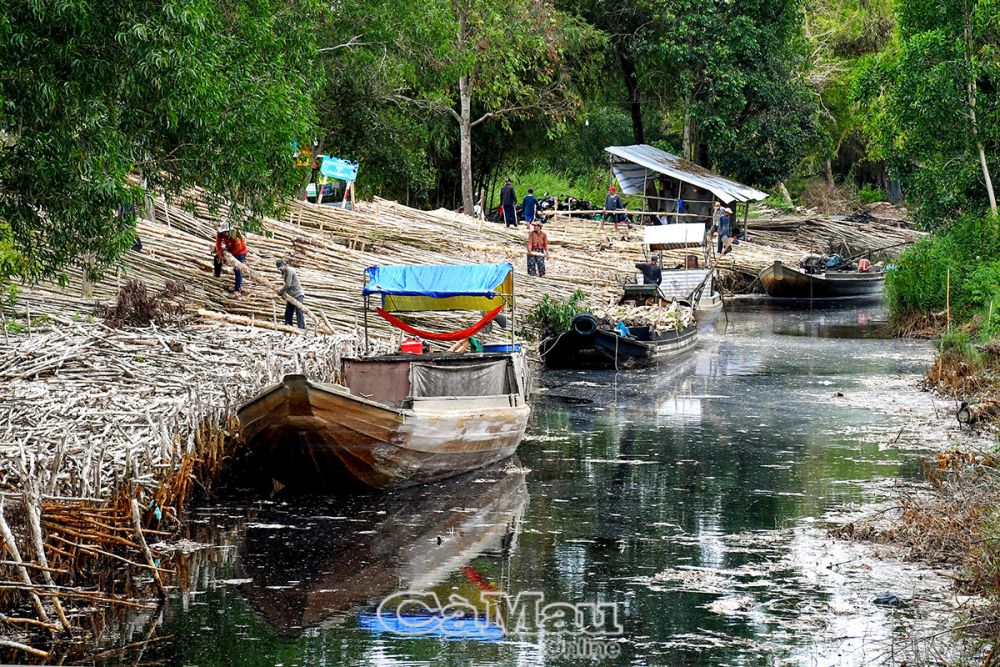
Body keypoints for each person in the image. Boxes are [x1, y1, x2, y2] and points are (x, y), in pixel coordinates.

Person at [215, 223, 248, 297]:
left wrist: (231, 256)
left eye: (227, 231)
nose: (225, 233)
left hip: (240, 252)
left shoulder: (235, 234)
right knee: (217, 258)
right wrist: (220, 255)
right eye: (224, 232)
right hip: (230, 248)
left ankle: (237, 289)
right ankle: (216, 275)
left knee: (237, 269)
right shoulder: (220, 234)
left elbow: (238, 247)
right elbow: (218, 244)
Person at [276, 259, 306, 329]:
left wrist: (281, 291)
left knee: (298, 310)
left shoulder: (290, 270)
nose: (281, 270)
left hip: (298, 294)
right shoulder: (283, 272)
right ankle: (288, 327)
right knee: (288, 312)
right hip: (291, 294)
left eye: (282, 268)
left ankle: (301, 328)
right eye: (280, 269)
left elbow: (288, 284)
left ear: (285, 265)